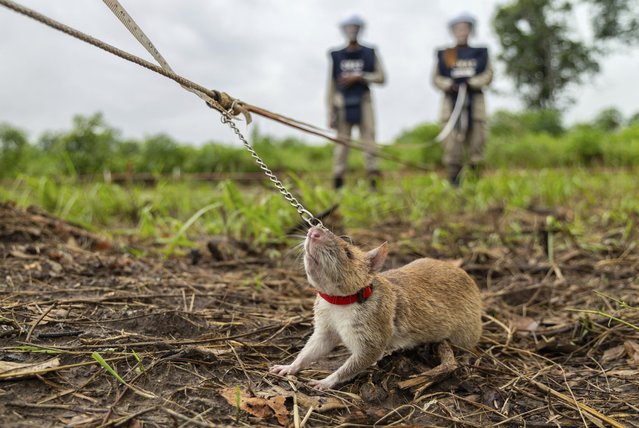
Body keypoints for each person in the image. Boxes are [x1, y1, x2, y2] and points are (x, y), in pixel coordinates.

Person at [433, 12, 493, 187]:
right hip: (451, 105)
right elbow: (437, 78)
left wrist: (472, 82)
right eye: (458, 28)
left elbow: (488, 74)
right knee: (452, 145)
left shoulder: (478, 53)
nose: (462, 31)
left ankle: (474, 183)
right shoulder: (449, 54)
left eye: (465, 28)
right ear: (453, 31)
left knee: (477, 142)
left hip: (475, 103)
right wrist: (448, 84)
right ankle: (455, 184)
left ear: (471, 31)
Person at [327, 15, 386, 190]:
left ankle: (373, 182)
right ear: (344, 30)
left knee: (369, 142)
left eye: (355, 27)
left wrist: (360, 76)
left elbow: (382, 77)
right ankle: (337, 183)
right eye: (349, 27)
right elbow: (331, 86)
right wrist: (330, 112)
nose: (352, 30)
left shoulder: (370, 53)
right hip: (342, 104)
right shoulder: (337, 55)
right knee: (342, 144)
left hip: (364, 102)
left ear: (360, 29)